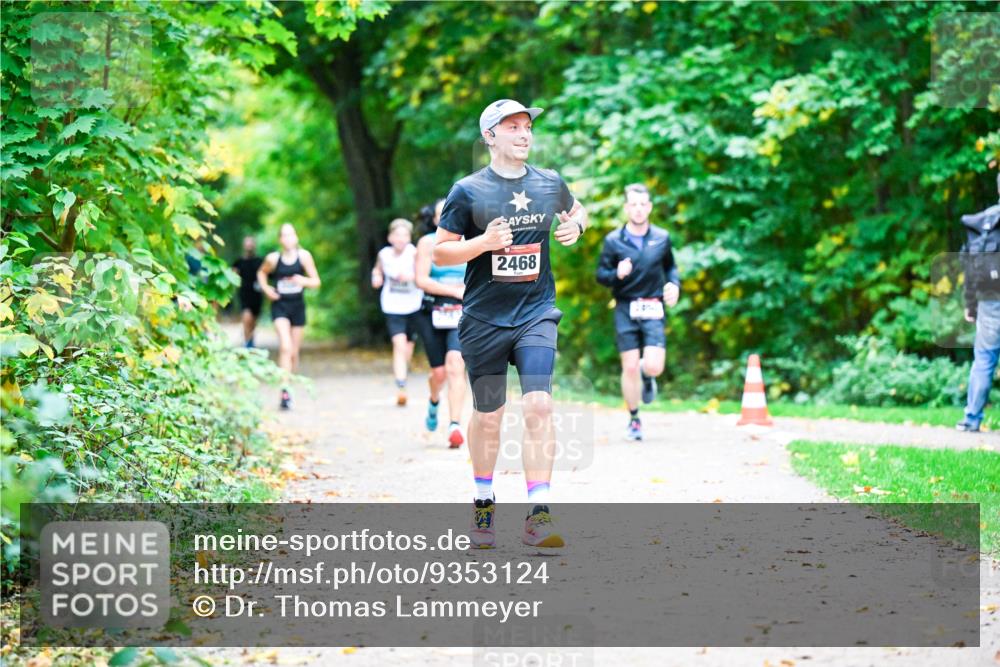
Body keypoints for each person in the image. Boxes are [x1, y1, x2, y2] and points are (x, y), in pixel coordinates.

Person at [434, 99, 589, 549]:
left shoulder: (548, 183)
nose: (524, 134)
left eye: (527, 127)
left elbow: (579, 211)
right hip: (484, 318)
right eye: (513, 127)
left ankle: (538, 513)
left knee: (539, 405)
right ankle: (483, 501)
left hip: (536, 313)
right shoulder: (467, 190)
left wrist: (575, 228)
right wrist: (482, 243)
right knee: (489, 415)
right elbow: (441, 251)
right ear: (490, 136)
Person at [596, 183, 681, 441]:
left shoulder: (662, 238)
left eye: (643, 204)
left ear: (650, 207)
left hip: (654, 305)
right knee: (629, 366)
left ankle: (648, 375)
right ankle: (634, 419)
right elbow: (601, 276)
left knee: (653, 366)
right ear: (626, 207)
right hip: (625, 306)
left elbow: (671, 269)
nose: (638, 209)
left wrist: (674, 286)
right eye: (633, 204)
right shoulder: (613, 241)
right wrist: (616, 274)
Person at [414, 199, 468, 448]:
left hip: (462, 312)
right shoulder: (427, 242)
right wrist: (452, 290)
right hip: (431, 310)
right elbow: (421, 280)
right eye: (442, 214)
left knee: (456, 364)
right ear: (435, 219)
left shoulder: (471, 241)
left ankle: (455, 425)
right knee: (439, 372)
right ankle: (434, 401)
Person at [257, 224, 321, 410]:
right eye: (284, 235)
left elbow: (316, 281)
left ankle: (290, 386)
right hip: (280, 307)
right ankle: (284, 390)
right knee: (285, 347)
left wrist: (303, 281)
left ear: (296, 237)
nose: (288, 239)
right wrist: (267, 289)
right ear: (280, 240)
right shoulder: (273, 259)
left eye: (291, 235)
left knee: (293, 352)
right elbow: (261, 273)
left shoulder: (304, 257)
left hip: (297, 307)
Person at [956, 173, 1000, 432]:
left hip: (990, 302)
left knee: (983, 360)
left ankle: (971, 420)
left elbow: (972, 268)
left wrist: (970, 304)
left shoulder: (985, 224)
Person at [372, 218, 424, 407]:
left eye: (405, 235)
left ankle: (402, 380)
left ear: (409, 238)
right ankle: (401, 386)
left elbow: (424, 273)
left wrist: (411, 276)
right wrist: (376, 278)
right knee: (399, 344)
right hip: (392, 306)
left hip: (413, 305)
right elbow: (377, 271)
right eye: (397, 235)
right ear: (390, 237)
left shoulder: (414, 253)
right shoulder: (384, 254)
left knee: (407, 348)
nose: (401, 239)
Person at [232, 236, 263, 348]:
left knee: (253, 322)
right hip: (244, 294)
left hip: (257, 296)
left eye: (251, 243)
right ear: (244, 245)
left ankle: (250, 339)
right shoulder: (239, 262)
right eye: (247, 243)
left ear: (254, 245)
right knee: (247, 318)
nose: (249, 246)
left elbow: (266, 275)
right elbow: (232, 277)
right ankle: (247, 346)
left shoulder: (260, 261)